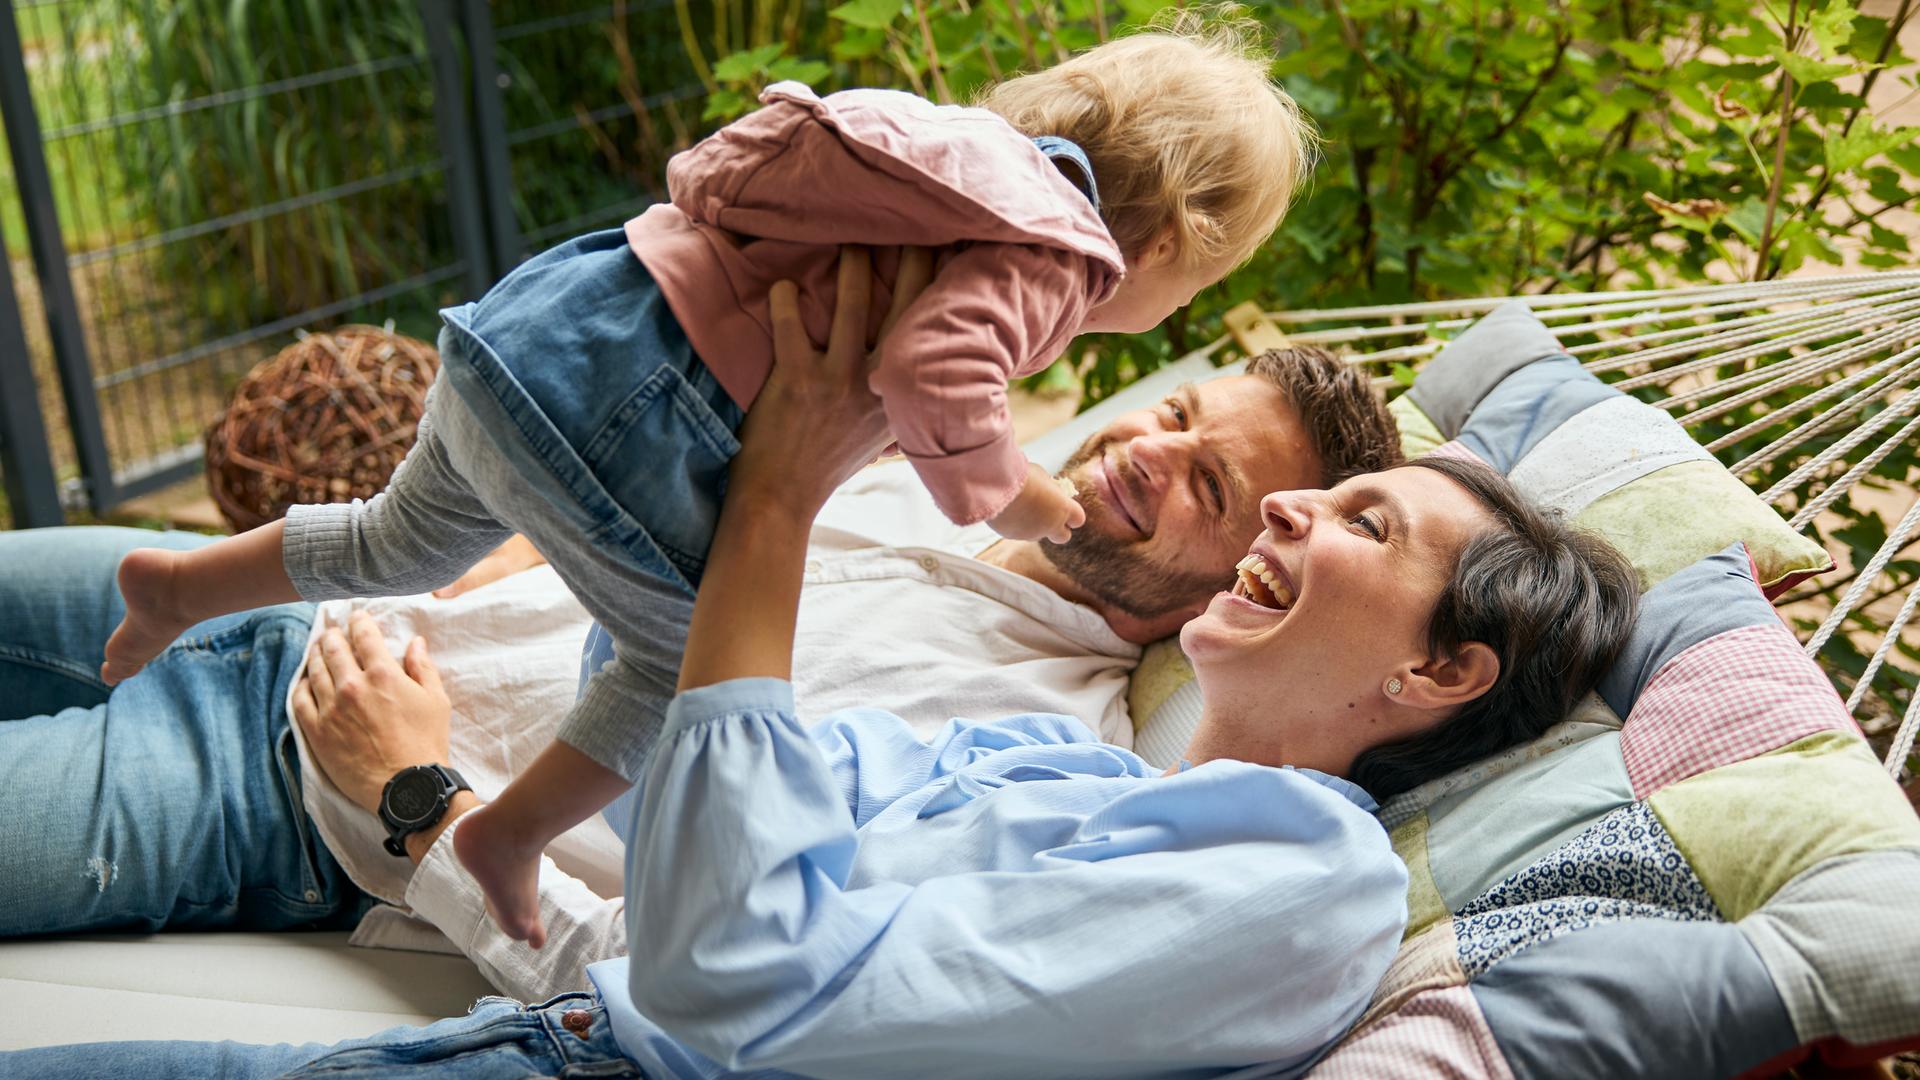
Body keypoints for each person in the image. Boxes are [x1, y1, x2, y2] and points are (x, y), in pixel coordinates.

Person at [0, 243, 1639, 1080]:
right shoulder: (1050, 752)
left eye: (1322, 510)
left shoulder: (1274, 861)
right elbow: (720, 859)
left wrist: (433, 814)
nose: (1181, 460)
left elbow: (723, 968)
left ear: (1442, 673)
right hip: (309, 621)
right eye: (1187, 420)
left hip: (291, 789)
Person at [92, 11, 1320, 948]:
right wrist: (1019, 496)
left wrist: (427, 812)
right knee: (680, 671)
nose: (1148, 447)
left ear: (1229, 585)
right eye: (1174, 404)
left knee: (401, 532)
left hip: (536, 345)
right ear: (1169, 246)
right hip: (543, 475)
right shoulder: (1053, 254)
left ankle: (185, 586)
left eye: (1206, 488)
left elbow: (716, 175)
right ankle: (505, 832)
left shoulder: (944, 157)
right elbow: (940, 378)